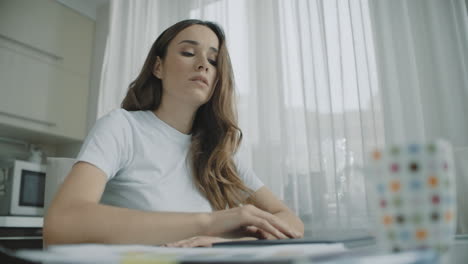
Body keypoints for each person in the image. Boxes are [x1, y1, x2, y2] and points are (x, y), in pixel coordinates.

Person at [43, 19, 304, 248]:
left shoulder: (221, 154)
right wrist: (209, 223)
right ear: (158, 67)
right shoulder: (122, 127)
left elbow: (291, 222)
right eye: (189, 52)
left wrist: (228, 242)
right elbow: (62, 223)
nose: (203, 64)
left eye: (213, 60)